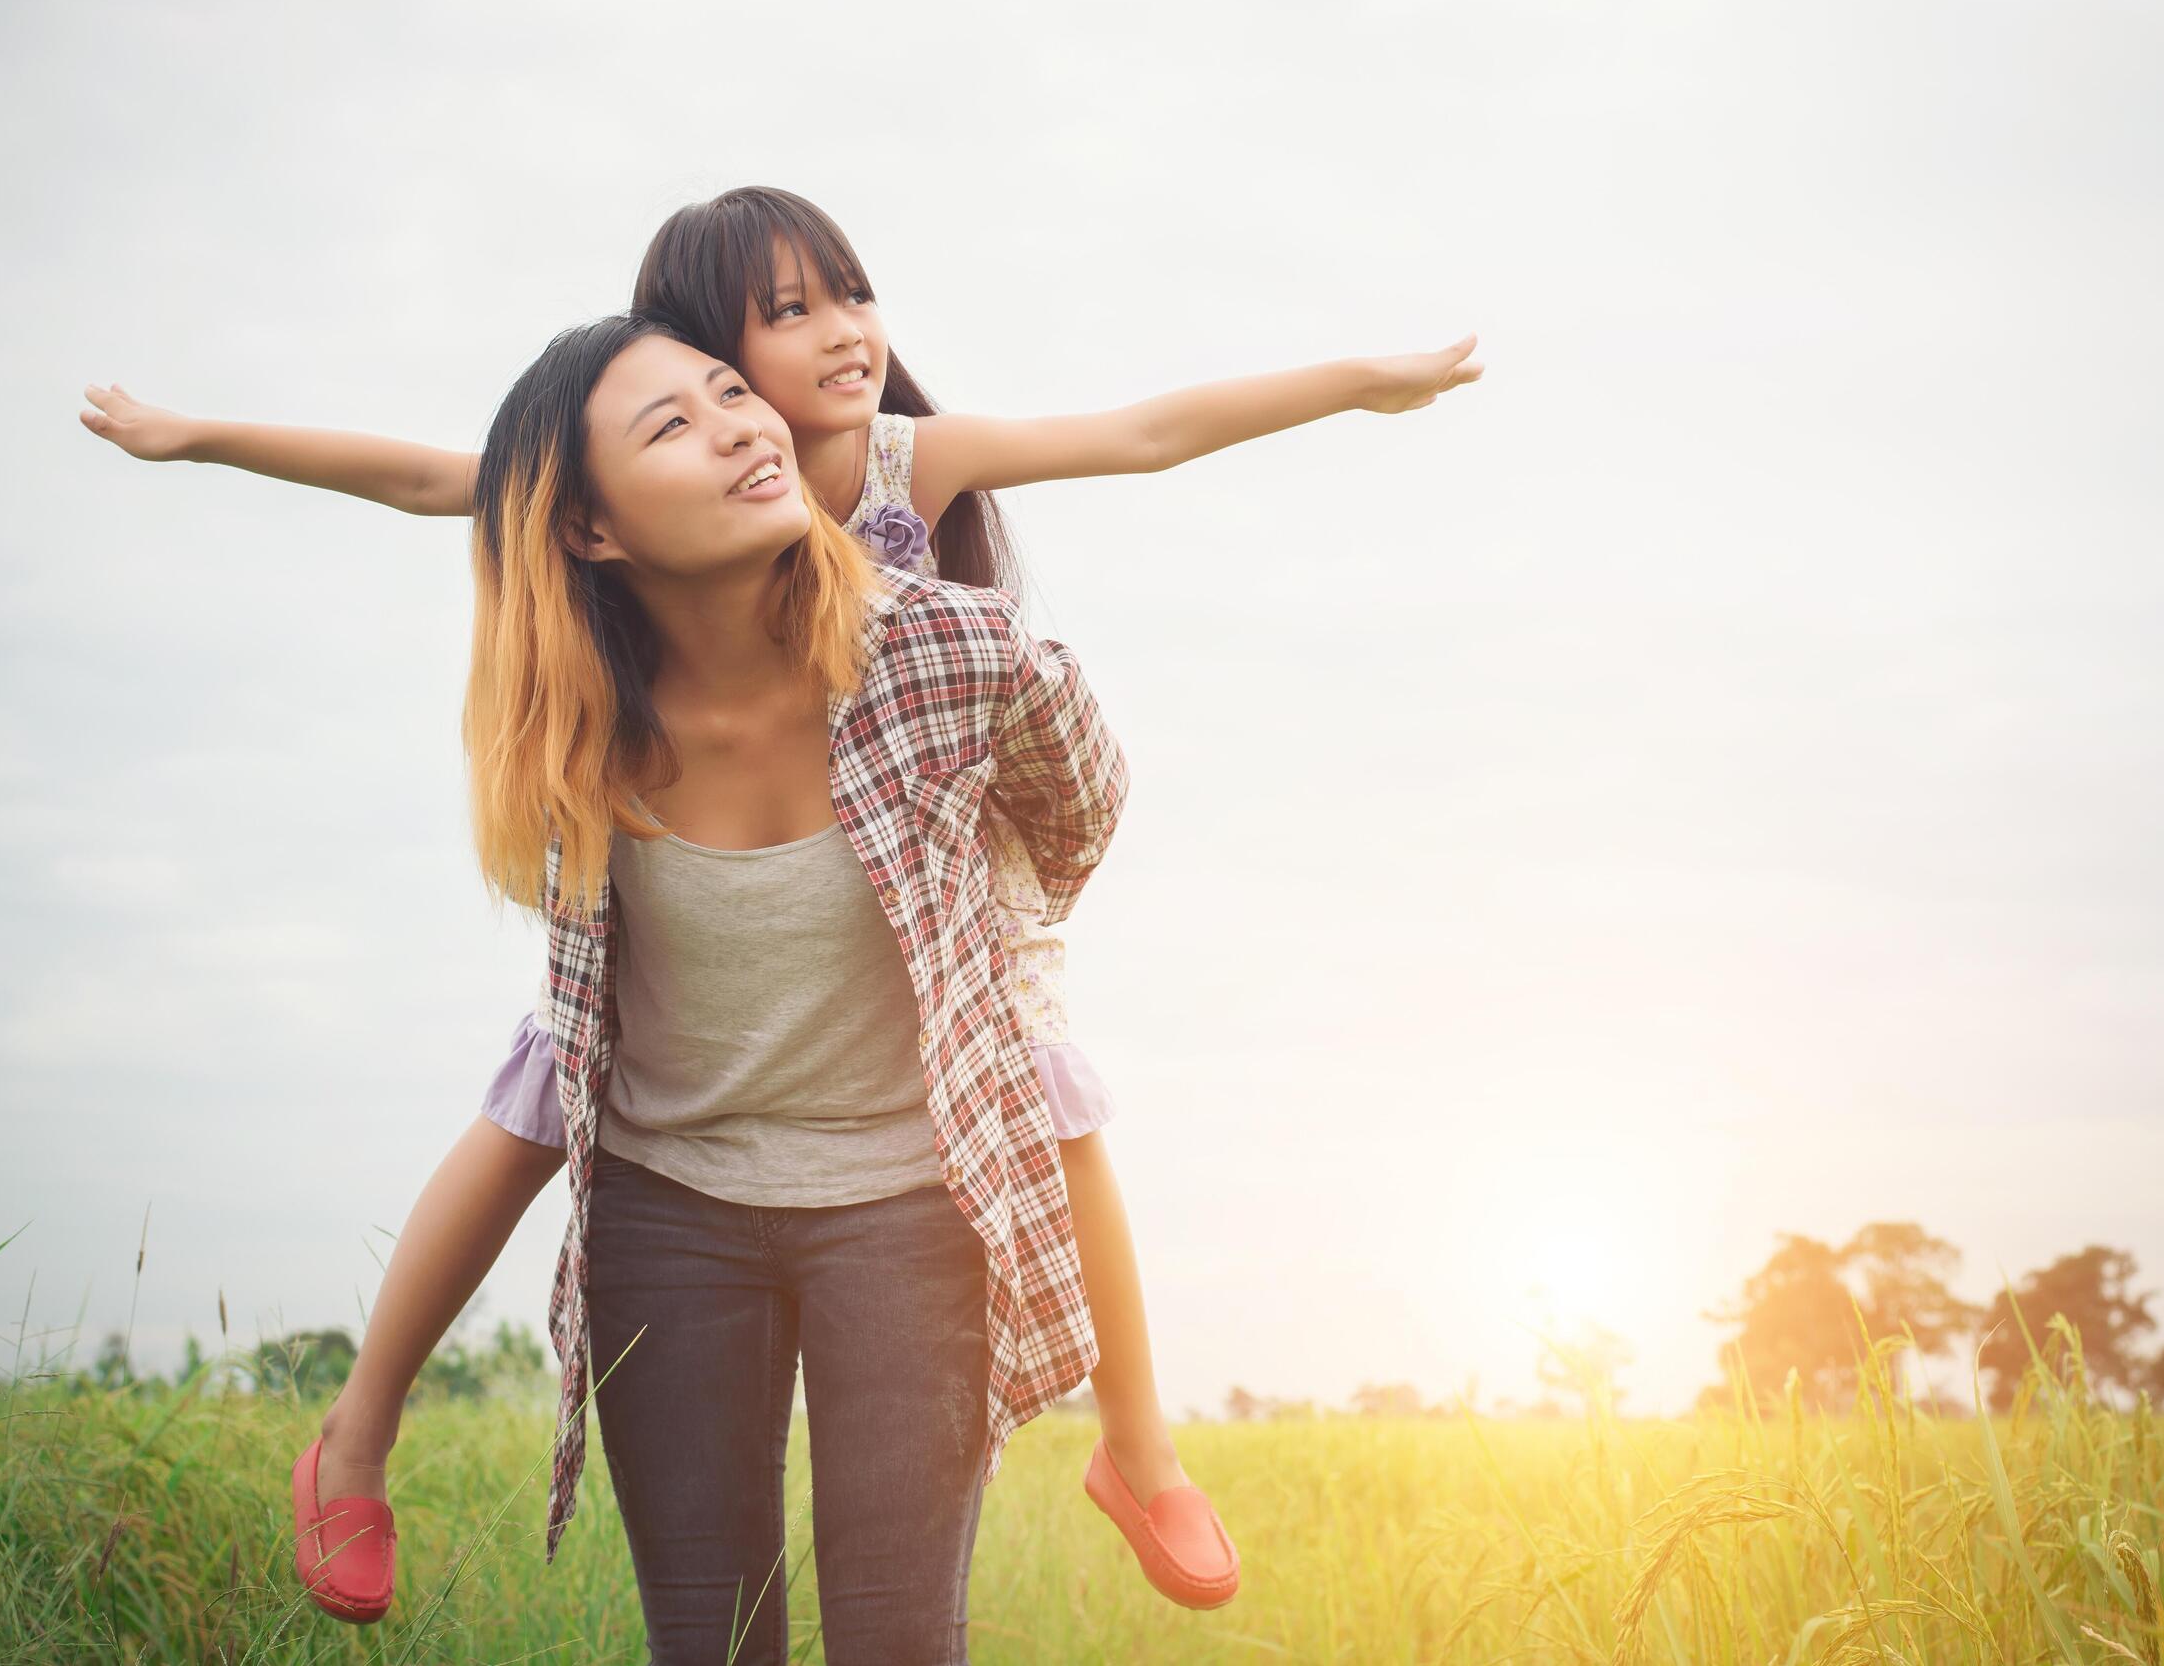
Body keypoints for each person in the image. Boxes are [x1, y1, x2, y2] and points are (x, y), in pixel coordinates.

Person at [89, 188, 1480, 1616]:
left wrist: (1360, 385)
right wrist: (198, 436)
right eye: (778, 322)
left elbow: (1140, 441)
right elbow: (427, 477)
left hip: (937, 870)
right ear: (596, 512)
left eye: (849, 293)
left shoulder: (908, 501)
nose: (832, 343)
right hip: (684, 1095)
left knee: (1049, 1081)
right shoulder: (600, 628)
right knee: (531, 1113)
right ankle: (358, 1435)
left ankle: (1141, 1449)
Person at [324, 313, 1117, 1657]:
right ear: (590, 530)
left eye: (730, 392)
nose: (744, 425)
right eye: (671, 426)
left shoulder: (951, 651)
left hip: (910, 1201)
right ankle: (351, 1435)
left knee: (897, 1638)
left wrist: (969, 926)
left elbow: (1078, 810)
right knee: (708, 1637)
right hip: (668, 1209)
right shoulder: (579, 728)